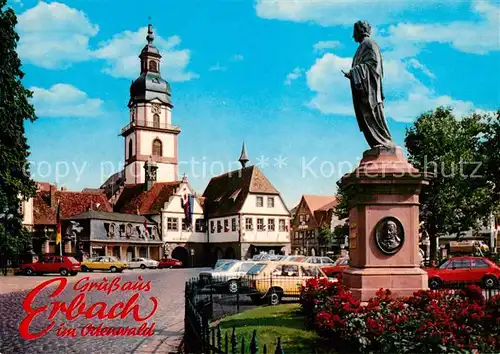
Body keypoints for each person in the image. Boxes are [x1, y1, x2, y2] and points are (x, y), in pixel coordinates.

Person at [342, 21, 395, 149]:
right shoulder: (362, 46)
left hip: (370, 91)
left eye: (354, 32)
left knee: (375, 116)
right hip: (363, 91)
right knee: (368, 119)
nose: (353, 36)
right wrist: (354, 74)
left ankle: (384, 142)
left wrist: (354, 72)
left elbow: (373, 65)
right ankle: (378, 144)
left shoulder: (370, 44)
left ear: (360, 31)